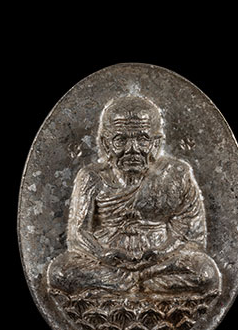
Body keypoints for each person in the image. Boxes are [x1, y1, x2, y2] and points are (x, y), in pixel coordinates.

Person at [47, 94, 221, 299]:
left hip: (160, 263)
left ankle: (132, 284)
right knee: (60, 273)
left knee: (206, 273)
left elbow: (191, 233)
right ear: (106, 143)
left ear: (157, 142)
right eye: (121, 140)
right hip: (107, 264)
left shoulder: (176, 174)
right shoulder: (92, 177)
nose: (132, 149)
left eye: (143, 139)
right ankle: (138, 285)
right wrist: (103, 254)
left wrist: (163, 252)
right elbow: (78, 234)